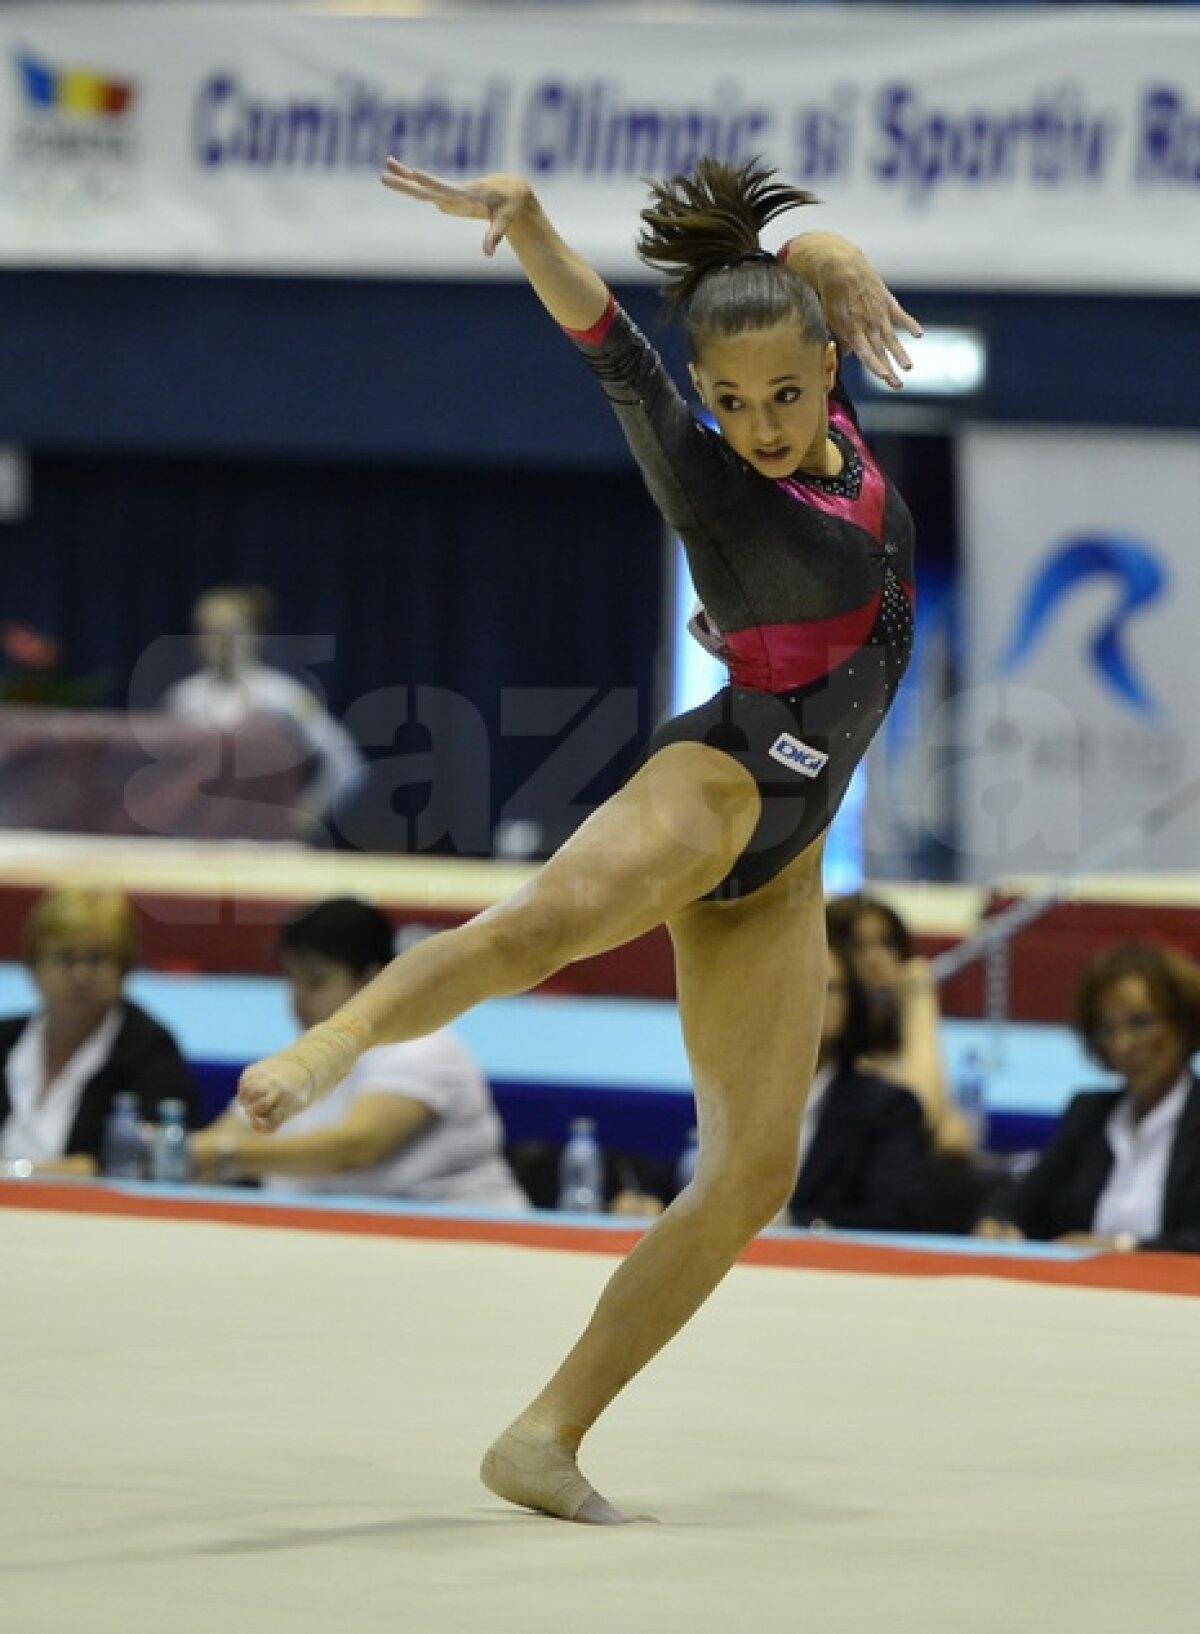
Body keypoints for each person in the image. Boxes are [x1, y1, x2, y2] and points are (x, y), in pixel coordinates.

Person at [236, 155, 921, 1524]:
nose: (761, 423)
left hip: (787, 860)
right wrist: (535, 230)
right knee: (545, 926)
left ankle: (545, 1433)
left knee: (752, 1172)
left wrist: (828, 248)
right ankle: (332, 1042)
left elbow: (781, 295)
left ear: (822, 365)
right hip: (720, 778)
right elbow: (613, 348)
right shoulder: (714, 480)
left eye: (786, 393)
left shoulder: (823, 403)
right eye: (730, 403)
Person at [189, 898, 528, 1209]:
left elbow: (355, 1146)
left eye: (316, 981)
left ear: (372, 979)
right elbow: (223, 1136)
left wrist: (223, 1153)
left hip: (469, 1239)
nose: (298, 997)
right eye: (291, 978)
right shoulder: (297, 1060)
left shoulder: (424, 1049)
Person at [974, 942, 1200, 1253]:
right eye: (1108, 1030)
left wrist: (1123, 1249)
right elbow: (1024, 1196)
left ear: (1184, 1024)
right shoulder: (1089, 1114)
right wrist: (998, 1220)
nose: (1123, 1045)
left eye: (1140, 1023)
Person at [0, 886, 198, 1177]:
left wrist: (20, 1177)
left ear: (124, 968)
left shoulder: (149, 1050)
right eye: (65, 959)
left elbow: (143, 1162)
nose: (80, 976)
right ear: (33, 966)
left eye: (97, 959)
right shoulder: (5, 1039)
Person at [162, 583, 364, 843]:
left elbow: (346, 764)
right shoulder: (183, 698)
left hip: (264, 848)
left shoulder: (284, 697)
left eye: (228, 632)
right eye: (207, 631)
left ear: (256, 635)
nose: (217, 642)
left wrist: (306, 813)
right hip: (195, 845)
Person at [789, 934, 931, 1233]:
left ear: (850, 1004)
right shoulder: (732, 1096)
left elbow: (896, 1215)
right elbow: (681, 1174)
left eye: (826, 988)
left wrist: (797, 1225)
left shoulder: (887, 1108)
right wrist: (660, 1193)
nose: (809, 1000)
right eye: (794, 984)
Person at [826, 890, 972, 1156]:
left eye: (888, 944)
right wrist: (920, 1000)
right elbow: (921, 1115)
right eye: (857, 946)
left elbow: (955, 1135)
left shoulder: (900, 1051)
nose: (876, 961)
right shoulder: (824, 1062)